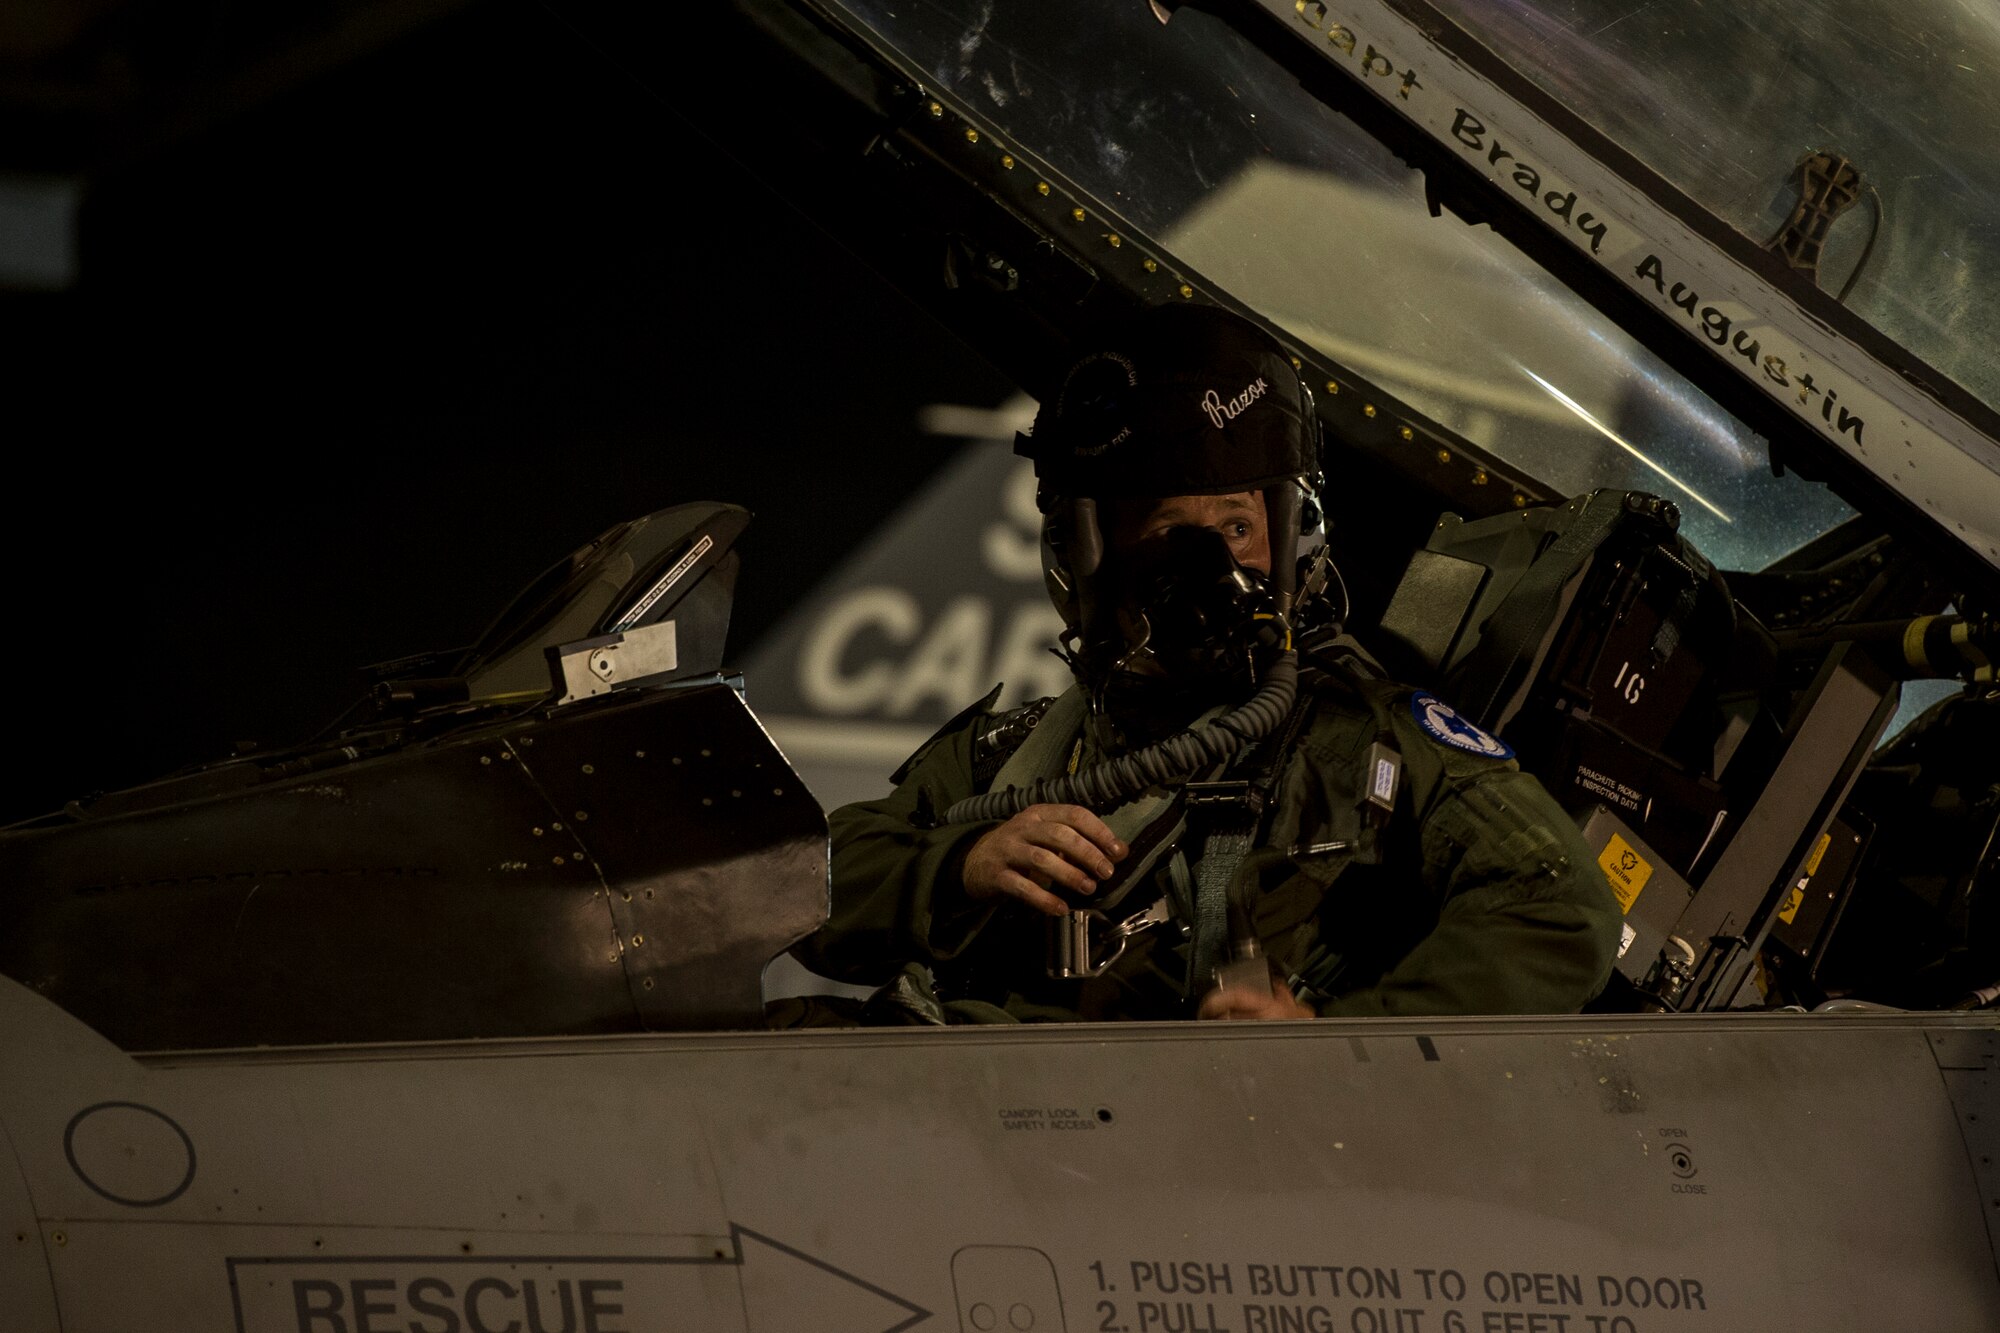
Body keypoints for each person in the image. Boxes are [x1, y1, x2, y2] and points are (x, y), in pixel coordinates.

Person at [789, 303, 1620, 1023]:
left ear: (1295, 536)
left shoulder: (1370, 743)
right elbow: (800, 891)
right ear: (1082, 558)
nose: (1208, 569)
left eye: (1234, 529)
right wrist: (960, 867)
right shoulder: (1025, 755)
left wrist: (1340, 1041)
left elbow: (1559, 904)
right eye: (1163, 535)